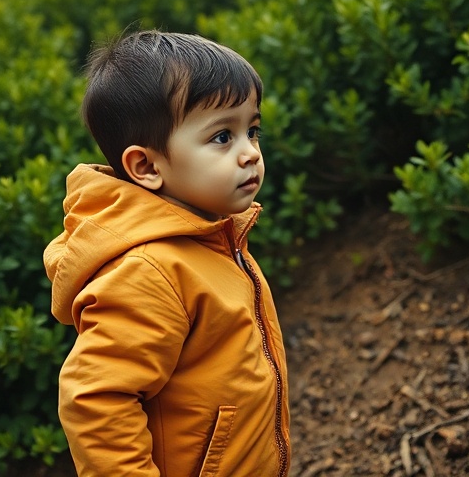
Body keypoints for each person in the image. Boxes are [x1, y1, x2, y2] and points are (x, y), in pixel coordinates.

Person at [43, 30, 290, 477]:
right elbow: (95, 400)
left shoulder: (212, 236)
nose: (249, 153)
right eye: (221, 137)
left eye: (251, 130)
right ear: (148, 167)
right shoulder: (149, 271)